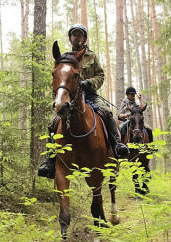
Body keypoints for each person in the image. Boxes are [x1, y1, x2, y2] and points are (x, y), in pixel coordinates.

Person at [37, 24, 128, 179]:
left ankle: (117, 146)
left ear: (84, 38)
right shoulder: (65, 57)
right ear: (71, 38)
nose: (76, 37)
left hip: (90, 95)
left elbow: (100, 75)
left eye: (80, 35)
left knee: (106, 112)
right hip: (70, 97)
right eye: (74, 35)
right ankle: (50, 161)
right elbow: (58, 76)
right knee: (53, 122)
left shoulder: (91, 56)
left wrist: (89, 83)